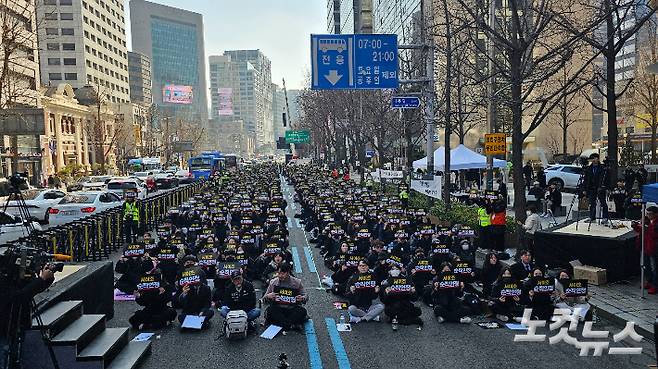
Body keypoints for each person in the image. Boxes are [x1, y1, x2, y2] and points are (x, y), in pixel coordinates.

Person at [0, 265, 55, 369]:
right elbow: (18, 297)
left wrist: (46, 278)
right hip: (4, 328)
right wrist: (41, 279)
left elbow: (30, 290)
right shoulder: (4, 279)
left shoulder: (13, 278)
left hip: (15, 325)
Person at [129, 262, 176, 330]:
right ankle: (153, 324)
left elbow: (169, 298)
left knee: (171, 312)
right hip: (149, 311)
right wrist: (138, 296)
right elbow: (143, 303)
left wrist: (161, 294)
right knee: (133, 319)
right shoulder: (145, 286)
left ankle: (148, 325)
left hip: (162, 310)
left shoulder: (166, 285)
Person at [264, 262, 309, 331]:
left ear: (288, 272)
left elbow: (305, 295)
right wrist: (268, 296)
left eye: (282, 273)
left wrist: (302, 298)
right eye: (279, 273)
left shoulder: (297, 282)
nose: (280, 275)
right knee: (270, 311)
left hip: (292, 308)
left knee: (302, 311)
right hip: (278, 308)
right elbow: (264, 298)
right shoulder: (273, 282)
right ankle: (291, 325)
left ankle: (281, 324)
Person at [632, 206, 658, 294]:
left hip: (654, 247)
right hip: (644, 245)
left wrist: (646, 227)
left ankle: (655, 285)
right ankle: (649, 281)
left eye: (649, 214)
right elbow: (641, 230)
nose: (648, 215)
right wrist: (635, 226)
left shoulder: (656, 223)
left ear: (655, 214)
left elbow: (653, 234)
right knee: (645, 265)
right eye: (647, 213)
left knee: (655, 267)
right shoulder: (646, 220)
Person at [582, 153, 609, 223]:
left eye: (594, 158)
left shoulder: (603, 167)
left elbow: (606, 178)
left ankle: (605, 217)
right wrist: (584, 189)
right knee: (592, 203)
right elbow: (586, 179)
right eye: (592, 159)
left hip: (600, 187)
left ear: (597, 159)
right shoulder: (589, 168)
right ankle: (592, 217)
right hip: (591, 188)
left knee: (603, 202)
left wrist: (605, 187)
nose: (593, 160)